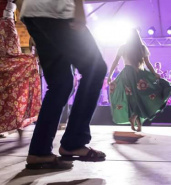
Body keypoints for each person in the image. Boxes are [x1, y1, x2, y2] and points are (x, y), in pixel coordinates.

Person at [20, 0, 107, 169]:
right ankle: (74, 141)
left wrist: (32, 18)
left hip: (31, 11)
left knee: (61, 83)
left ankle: (39, 151)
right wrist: (79, 8)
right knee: (95, 69)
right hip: (57, 10)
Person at [107, 29, 171, 132]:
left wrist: (110, 75)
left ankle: (135, 119)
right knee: (139, 98)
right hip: (139, 75)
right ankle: (137, 122)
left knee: (133, 99)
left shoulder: (123, 47)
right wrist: (154, 73)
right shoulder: (142, 48)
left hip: (127, 74)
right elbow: (148, 64)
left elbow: (115, 62)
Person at [0, 0, 41, 140]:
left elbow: (24, 10)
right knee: (11, 75)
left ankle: (15, 123)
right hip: (5, 29)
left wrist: (33, 33)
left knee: (12, 74)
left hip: (5, 30)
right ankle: (15, 124)